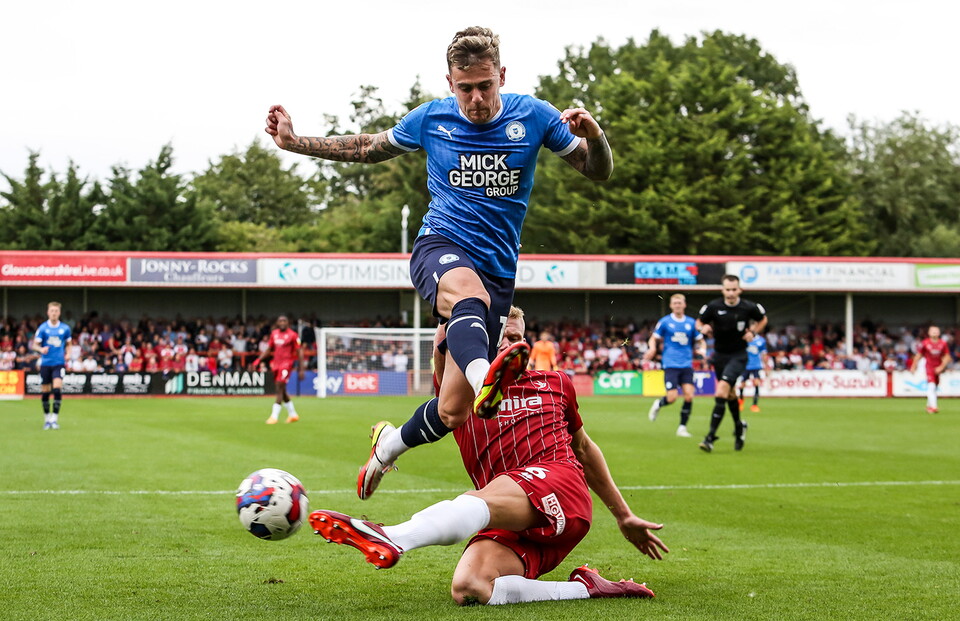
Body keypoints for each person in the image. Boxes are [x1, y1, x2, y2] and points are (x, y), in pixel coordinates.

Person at [266, 26, 614, 499]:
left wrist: (596, 136)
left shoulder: (534, 116)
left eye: (485, 86)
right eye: (465, 88)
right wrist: (294, 142)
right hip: (440, 245)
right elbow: (368, 147)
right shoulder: (431, 119)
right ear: (450, 83)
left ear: (502, 76)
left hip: (498, 270)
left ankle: (388, 445)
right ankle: (486, 377)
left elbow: (597, 171)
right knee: (468, 295)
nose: (476, 99)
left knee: (453, 411)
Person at [309, 306, 667, 606]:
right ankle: (586, 588)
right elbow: (444, 339)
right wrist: (460, 307)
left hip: (561, 487)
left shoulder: (556, 383)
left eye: (517, 337)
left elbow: (585, 449)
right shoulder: (460, 395)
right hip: (511, 516)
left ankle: (394, 537)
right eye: (502, 336)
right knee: (470, 587)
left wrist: (623, 515)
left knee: (480, 498)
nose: (512, 344)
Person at [695, 275, 767, 453]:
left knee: (721, 391)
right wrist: (702, 328)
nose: (731, 293)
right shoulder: (714, 306)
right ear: (723, 290)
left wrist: (753, 332)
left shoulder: (748, 307)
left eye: (734, 289)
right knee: (730, 394)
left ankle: (710, 438)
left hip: (738, 356)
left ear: (739, 290)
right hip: (719, 356)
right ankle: (739, 427)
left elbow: (763, 319)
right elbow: (699, 322)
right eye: (728, 289)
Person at [644, 293, 705, 438]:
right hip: (670, 363)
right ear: (671, 305)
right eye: (675, 303)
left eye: (680, 303)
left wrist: (702, 350)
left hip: (687, 364)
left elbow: (701, 340)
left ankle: (682, 428)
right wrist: (652, 348)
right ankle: (658, 404)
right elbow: (653, 338)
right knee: (672, 398)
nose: (677, 305)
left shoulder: (691, 323)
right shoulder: (665, 322)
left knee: (689, 396)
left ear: (684, 305)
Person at [251, 316, 304, 424]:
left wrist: (301, 369)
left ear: (288, 323)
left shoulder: (293, 335)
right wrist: (258, 360)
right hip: (276, 365)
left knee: (279, 387)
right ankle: (293, 414)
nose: (282, 322)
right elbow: (269, 349)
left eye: (284, 321)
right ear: (277, 323)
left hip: (286, 365)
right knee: (282, 390)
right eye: (280, 321)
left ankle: (274, 416)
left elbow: (300, 352)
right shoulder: (274, 334)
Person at [31, 301, 72, 430]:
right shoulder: (43, 328)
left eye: (56, 311)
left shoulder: (65, 328)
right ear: (48, 312)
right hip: (46, 363)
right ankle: (47, 418)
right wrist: (41, 349)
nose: (54, 313)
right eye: (52, 311)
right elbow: (34, 345)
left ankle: (54, 418)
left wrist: (69, 353)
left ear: (59, 313)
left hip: (59, 363)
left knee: (57, 388)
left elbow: (69, 344)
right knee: (45, 392)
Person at [910, 325, 952, 413]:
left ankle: (929, 406)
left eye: (936, 331)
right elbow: (919, 355)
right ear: (929, 333)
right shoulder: (925, 343)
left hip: (938, 368)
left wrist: (941, 367)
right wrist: (914, 366)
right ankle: (934, 407)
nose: (935, 333)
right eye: (933, 331)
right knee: (931, 386)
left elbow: (947, 356)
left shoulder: (943, 343)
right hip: (929, 367)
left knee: (934, 387)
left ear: (939, 333)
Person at [738, 322, 769, 413]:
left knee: (756, 383)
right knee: (742, 384)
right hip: (745, 365)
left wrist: (766, 366)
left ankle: (754, 405)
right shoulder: (744, 339)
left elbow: (764, 354)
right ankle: (741, 402)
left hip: (756, 365)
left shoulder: (761, 341)